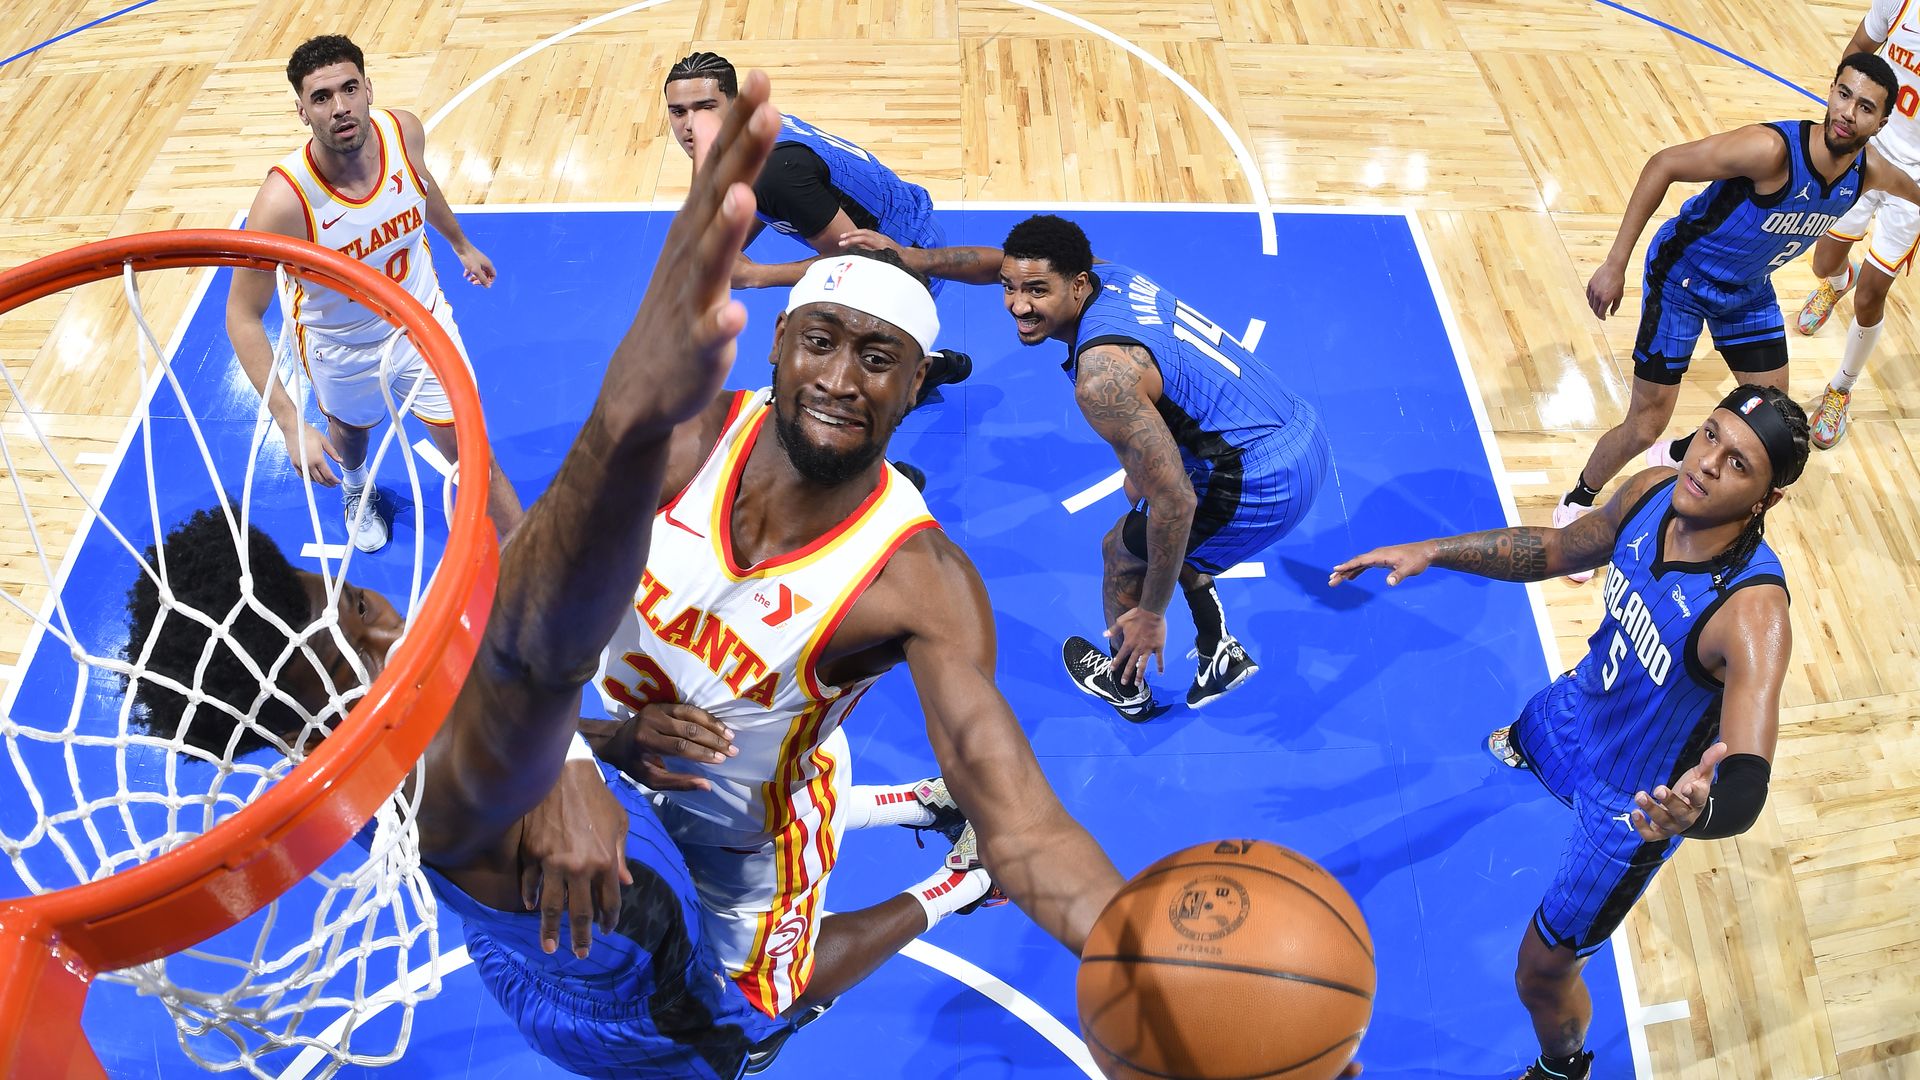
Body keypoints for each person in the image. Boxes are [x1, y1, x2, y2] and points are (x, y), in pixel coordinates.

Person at [126, 75, 990, 1079]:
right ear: (352, 613)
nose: (370, 597)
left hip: (540, 960)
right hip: (629, 987)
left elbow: (504, 713)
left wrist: (602, 744)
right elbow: (521, 678)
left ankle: (916, 814)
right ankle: (962, 885)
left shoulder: (328, 771)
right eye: (336, 597)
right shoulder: (452, 748)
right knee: (767, 1001)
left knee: (727, 769)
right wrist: (576, 765)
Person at [587, 231, 1133, 1020]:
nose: (840, 380)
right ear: (778, 342)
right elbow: (520, 630)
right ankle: (908, 800)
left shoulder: (920, 583)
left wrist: (1157, 971)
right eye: (820, 342)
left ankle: (957, 884)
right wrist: (605, 743)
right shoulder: (670, 445)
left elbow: (1028, 829)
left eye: (878, 360)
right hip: (610, 762)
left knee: (753, 1006)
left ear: (916, 384)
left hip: (748, 836)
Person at [1330, 385, 1810, 1080]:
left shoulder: (1754, 615)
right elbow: (1554, 548)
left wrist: (1697, 810)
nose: (1707, 463)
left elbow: (1748, 779)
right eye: (1709, 436)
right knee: (1529, 732)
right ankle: (1532, 752)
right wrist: (1433, 550)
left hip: (1629, 806)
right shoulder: (1651, 490)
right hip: (1577, 709)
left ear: (1767, 501)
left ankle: (1563, 1066)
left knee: (1540, 974)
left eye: (1738, 464)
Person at [858, 215, 1331, 720]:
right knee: (1141, 504)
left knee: (1127, 551)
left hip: (1257, 479)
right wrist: (911, 259)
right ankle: (1218, 647)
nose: (1018, 305)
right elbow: (1003, 262)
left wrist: (1150, 614)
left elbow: (1177, 502)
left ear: (1077, 285)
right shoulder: (1114, 277)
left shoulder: (1101, 377)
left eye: (1036, 291)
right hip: (1288, 421)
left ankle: (1127, 686)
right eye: (1010, 288)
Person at [1564, 53, 1917, 582]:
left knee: (1773, 419)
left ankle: (1682, 453)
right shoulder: (1771, 150)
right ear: (1831, 90)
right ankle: (1578, 500)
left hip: (1747, 292)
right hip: (1684, 278)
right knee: (1645, 422)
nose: (1847, 112)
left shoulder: (1868, 173)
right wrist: (1614, 263)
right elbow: (1664, 163)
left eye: (1865, 107)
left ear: (1882, 123)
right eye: (1842, 94)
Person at [228, 34, 523, 553]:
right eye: (321, 97)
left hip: (422, 321)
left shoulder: (402, 130)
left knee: (474, 453)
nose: (339, 107)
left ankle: (526, 548)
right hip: (341, 345)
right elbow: (242, 316)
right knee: (352, 435)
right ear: (302, 111)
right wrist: (290, 421)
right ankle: (356, 484)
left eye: (348, 89)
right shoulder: (283, 203)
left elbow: (422, 182)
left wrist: (460, 244)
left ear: (368, 87)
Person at [662, 51, 971, 414]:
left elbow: (862, 261)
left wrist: (755, 275)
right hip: (892, 226)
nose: (690, 124)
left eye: (705, 106)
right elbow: (770, 200)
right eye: (678, 111)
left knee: (843, 386)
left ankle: (912, 384)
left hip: (904, 258)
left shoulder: (773, 171)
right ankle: (932, 367)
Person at [1796, 2, 1920, 449]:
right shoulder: (1900, 4)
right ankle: (1836, 282)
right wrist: (1842, 113)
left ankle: (1841, 389)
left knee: (1871, 297)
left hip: (1914, 184)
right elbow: (1859, 50)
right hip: (1866, 157)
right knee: (1822, 261)